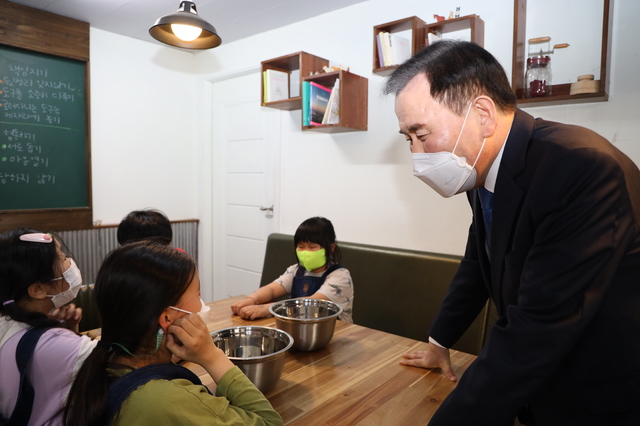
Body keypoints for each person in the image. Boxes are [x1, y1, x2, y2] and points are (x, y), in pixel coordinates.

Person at [384, 40, 640, 425]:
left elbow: (539, 325)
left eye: (421, 134)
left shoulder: (578, 167)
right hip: (538, 383)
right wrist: (440, 340)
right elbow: (479, 263)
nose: (417, 156)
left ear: (483, 115)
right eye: (409, 139)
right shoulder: (480, 171)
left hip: (598, 389)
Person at [63, 240, 283, 426]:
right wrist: (212, 357)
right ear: (167, 318)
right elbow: (270, 422)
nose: (202, 303)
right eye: (198, 294)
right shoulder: (165, 401)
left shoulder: (102, 362)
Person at [0, 228, 97, 425]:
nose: (70, 263)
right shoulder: (56, 345)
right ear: (38, 289)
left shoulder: (7, 323)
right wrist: (65, 338)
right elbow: (125, 368)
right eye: (63, 258)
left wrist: (67, 332)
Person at [231, 217, 354, 323]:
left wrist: (265, 309)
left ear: (331, 248)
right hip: (300, 327)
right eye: (301, 247)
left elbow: (311, 303)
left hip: (336, 332)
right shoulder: (296, 270)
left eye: (312, 247)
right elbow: (272, 289)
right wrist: (251, 299)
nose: (305, 252)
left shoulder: (340, 276)